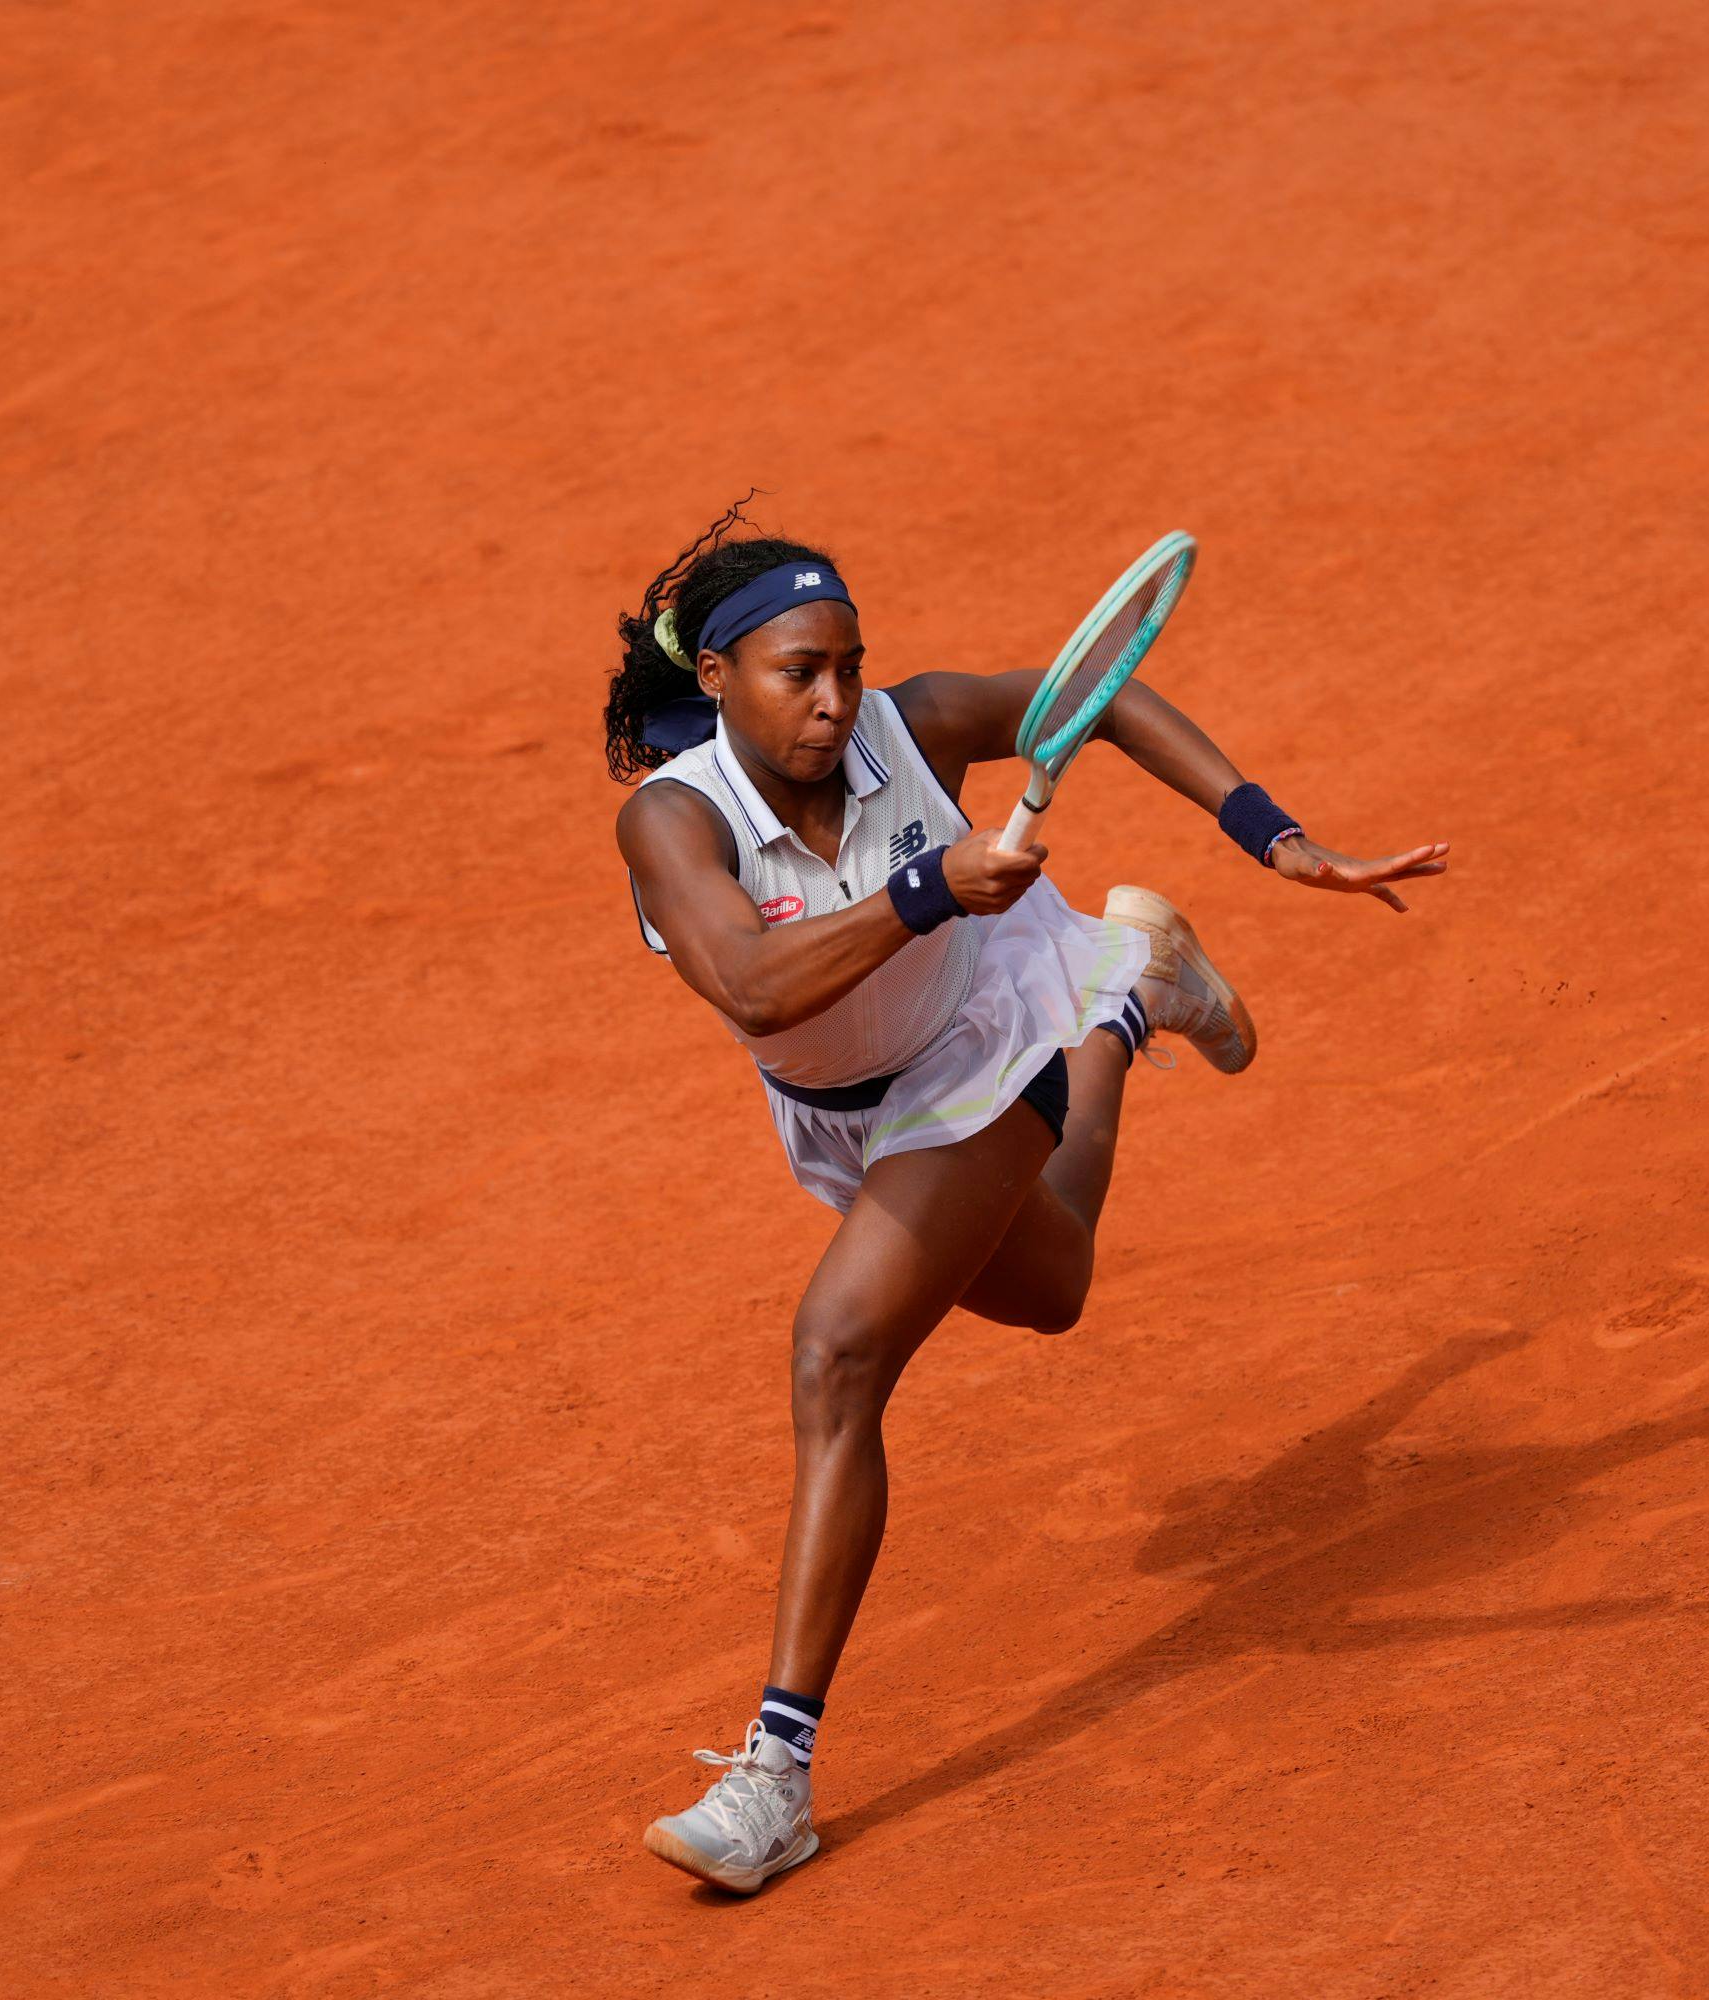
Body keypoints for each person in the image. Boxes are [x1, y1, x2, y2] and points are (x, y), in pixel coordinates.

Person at [608, 507, 1447, 1892]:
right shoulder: (671, 819)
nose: (834, 701)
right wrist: (935, 885)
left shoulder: (910, 724)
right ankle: (1132, 988)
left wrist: (1276, 835)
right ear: (715, 683)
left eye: (846, 665)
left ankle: (775, 1774)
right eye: (797, 673)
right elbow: (754, 987)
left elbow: (1099, 701)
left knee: (838, 1354)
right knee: (1054, 1288)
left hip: (980, 1042)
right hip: (839, 1109)